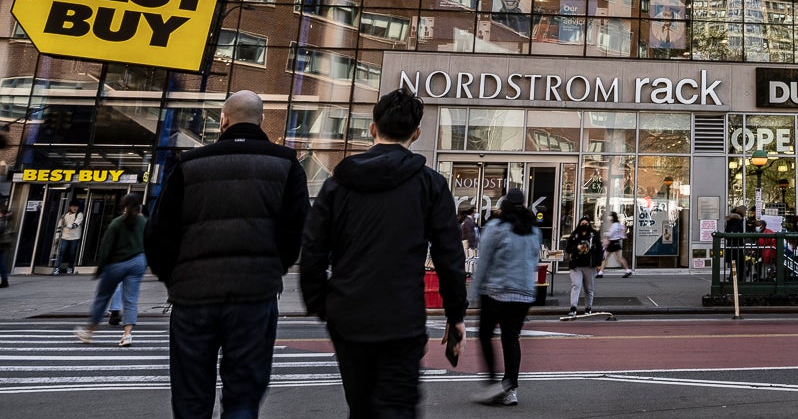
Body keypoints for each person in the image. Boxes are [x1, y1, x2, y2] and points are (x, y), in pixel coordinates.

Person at [301, 89, 467, 418]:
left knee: (360, 405)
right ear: (416, 133)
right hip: (401, 314)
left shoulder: (339, 184)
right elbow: (449, 255)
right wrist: (455, 313)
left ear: (373, 129)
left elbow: (313, 249)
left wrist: (323, 304)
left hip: (348, 312)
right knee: (397, 406)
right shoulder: (430, 185)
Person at [145, 89, 308, 419]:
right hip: (254, 295)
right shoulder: (286, 165)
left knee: (191, 399)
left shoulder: (189, 164)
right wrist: (273, 267)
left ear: (223, 120)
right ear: (261, 120)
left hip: (193, 297)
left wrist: (174, 277)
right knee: (243, 398)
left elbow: (158, 233)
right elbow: (297, 231)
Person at [470, 188, 542, 408]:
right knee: (511, 339)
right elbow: (534, 260)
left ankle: (493, 382)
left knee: (484, 335)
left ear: (505, 205)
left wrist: (473, 292)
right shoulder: (533, 231)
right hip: (523, 293)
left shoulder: (495, 227)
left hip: (496, 291)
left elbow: (483, 262)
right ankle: (510, 388)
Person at [75, 193, 147, 347]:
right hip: (138, 263)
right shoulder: (143, 222)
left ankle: (89, 331)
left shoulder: (116, 223)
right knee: (131, 300)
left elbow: (105, 248)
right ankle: (127, 335)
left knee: (103, 297)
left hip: (117, 264)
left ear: (122, 206)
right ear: (138, 206)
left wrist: (100, 269)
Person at [563, 214, 603, 316]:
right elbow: (568, 249)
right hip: (576, 265)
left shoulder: (594, 234)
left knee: (589, 288)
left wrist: (599, 264)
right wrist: (577, 248)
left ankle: (588, 308)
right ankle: (573, 308)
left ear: (589, 224)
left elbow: (599, 249)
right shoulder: (575, 235)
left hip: (590, 265)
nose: (584, 225)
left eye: (586, 223)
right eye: (582, 223)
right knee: (576, 285)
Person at [54, 199, 84, 274]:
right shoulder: (65, 215)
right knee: (61, 252)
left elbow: (75, 225)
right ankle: (57, 268)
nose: (75, 208)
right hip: (65, 237)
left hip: (75, 237)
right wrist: (57, 236)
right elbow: (59, 226)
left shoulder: (79, 214)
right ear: (70, 207)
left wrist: (65, 225)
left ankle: (70, 267)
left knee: (72, 253)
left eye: (76, 206)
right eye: (73, 206)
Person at [602, 212, 630, 277]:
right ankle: (627, 270)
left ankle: (601, 272)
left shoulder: (615, 225)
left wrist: (606, 234)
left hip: (612, 242)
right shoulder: (618, 224)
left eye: (610, 216)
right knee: (617, 258)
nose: (609, 217)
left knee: (606, 257)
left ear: (612, 217)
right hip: (615, 242)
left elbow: (610, 233)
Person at [0, 206, 14, 288]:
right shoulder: (5, 220)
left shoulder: (2, 220)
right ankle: (4, 280)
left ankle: (4, 280)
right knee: (1, 262)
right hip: (3, 244)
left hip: (1, 244)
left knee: (1, 263)